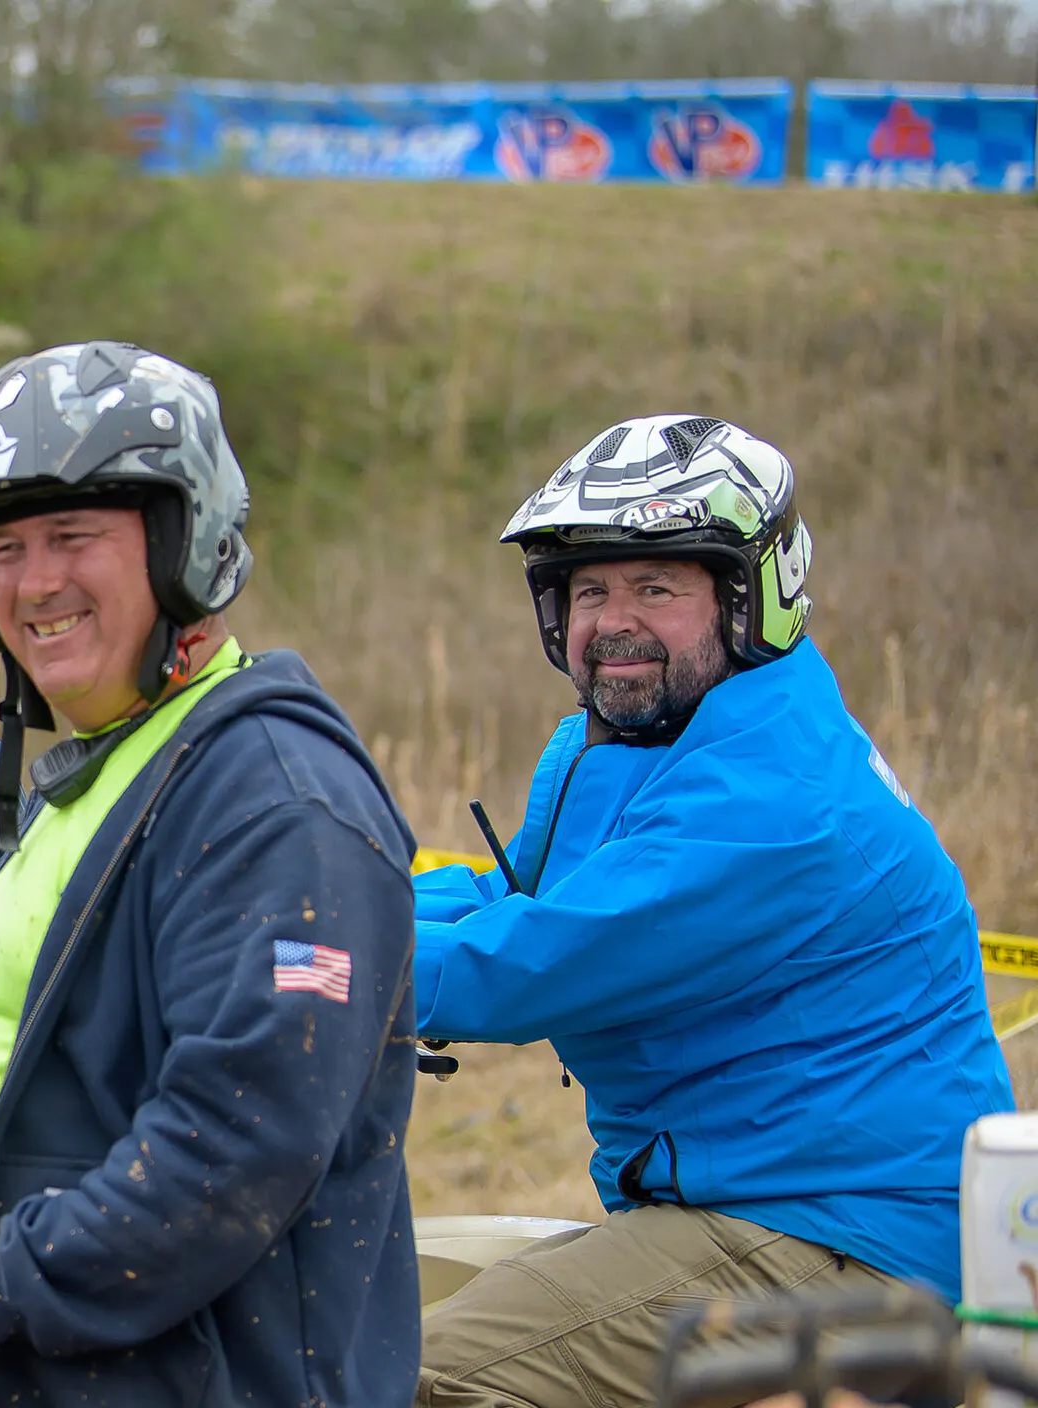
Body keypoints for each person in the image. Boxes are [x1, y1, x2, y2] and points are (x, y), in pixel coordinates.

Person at [409, 415, 1013, 1407]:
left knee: (412, 1377)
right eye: (590, 590)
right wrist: (314, 897)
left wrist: (301, 964)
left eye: (657, 587)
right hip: (751, 1205)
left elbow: (522, 964)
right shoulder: (652, 740)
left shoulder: (770, 797)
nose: (613, 620)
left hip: (845, 1243)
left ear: (748, 600)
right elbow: (526, 896)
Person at [0, 342, 420, 1406]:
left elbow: (234, 1148)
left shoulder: (271, 801)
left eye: (74, 538)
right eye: (5, 546)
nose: (35, 583)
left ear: (185, 549)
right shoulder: (110, 776)